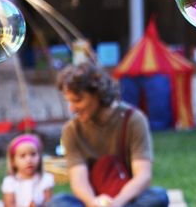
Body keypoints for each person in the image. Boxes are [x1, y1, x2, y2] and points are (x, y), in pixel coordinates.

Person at [48, 62, 168, 207]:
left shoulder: (134, 120)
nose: (72, 109)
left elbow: (143, 176)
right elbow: (78, 179)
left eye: (78, 100)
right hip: (92, 201)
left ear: (98, 94)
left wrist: (117, 203)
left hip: (125, 199)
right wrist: (93, 202)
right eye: (69, 101)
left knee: (159, 196)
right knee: (58, 202)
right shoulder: (71, 129)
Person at [2, 134, 55, 207]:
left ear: (39, 157)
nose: (29, 160)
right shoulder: (10, 182)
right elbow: (9, 204)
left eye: (33, 154)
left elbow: (48, 203)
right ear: (13, 161)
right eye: (23, 156)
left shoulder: (46, 179)